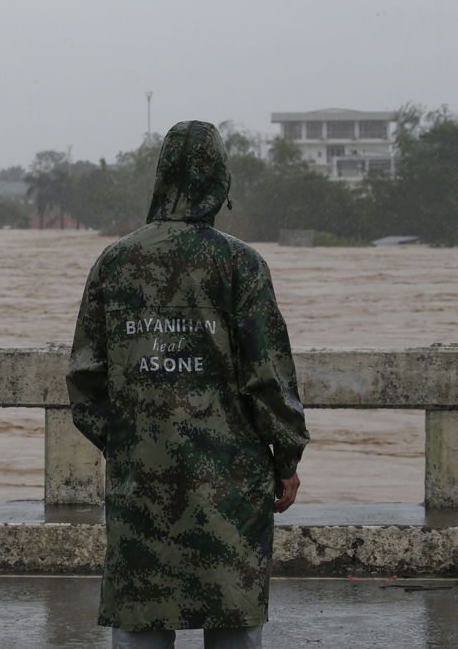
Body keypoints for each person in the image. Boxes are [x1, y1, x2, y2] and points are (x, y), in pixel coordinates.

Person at [66, 120, 310, 649]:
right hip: (230, 487)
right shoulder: (240, 264)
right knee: (234, 619)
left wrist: (133, 444)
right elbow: (269, 378)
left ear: (161, 178)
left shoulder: (115, 262)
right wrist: (286, 459)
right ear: (219, 182)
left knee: (142, 622)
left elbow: (85, 381)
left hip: (142, 485)